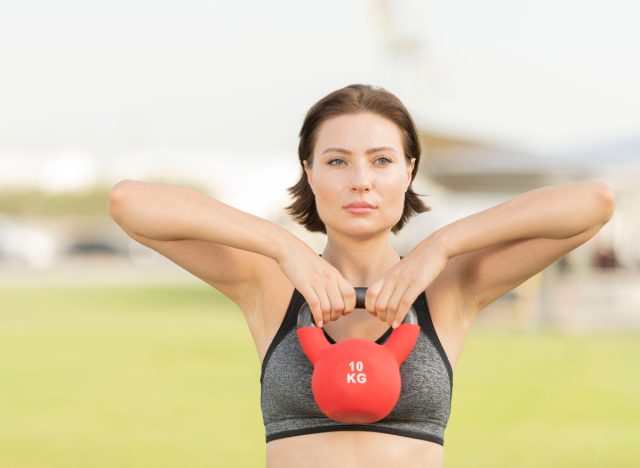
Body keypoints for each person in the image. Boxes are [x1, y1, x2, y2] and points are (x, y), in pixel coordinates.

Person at [108, 84, 615, 468]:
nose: (361, 181)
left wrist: (441, 245)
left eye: (381, 160)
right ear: (309, 173)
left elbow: (592, 204)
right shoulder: (269, 284)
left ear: (409, 172)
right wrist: (283, 245)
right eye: (336, 161)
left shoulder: (448, 290)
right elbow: (129, 203)